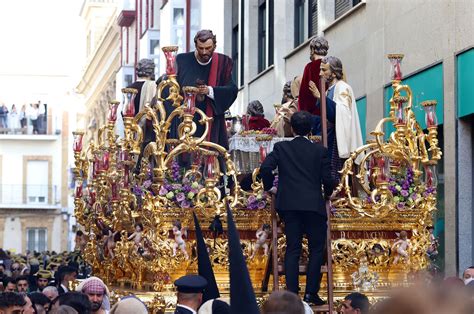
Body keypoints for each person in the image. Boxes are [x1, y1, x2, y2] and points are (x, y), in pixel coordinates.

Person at [259, 111, 337, 305]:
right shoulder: (320, 151)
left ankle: (292, 295)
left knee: (293, 248)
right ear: (310, 129)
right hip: (313, 206)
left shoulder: (282, 147)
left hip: (289, 206)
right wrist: (327, 193)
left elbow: (265, 168)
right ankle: (311, 293)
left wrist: (270, 188)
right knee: (317, 249)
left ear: (291, 128)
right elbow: (328, 179)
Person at [175, 29, 238, 148]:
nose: (204, 52)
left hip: (212, 122)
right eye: (200, 48)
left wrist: (209, 91)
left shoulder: (223, 62)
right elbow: (172, 88)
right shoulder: (182, 61)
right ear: (196, 45)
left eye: (208, 48)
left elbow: (232, 90)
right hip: (185, 121)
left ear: (214, 46)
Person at [309, 56, 364, 178]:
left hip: (337, 140)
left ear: (333, 73)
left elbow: (341, 113)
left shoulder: (342, 87)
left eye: (324, 70)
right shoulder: (329, 90)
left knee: (338, 177)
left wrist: (320, 97)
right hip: (330, 136)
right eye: (320, 70)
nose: (320, 73)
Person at [298, 36, 329, 115]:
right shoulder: (331, 65)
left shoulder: (310, 67)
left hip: (314, 114)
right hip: (331, 111)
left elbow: (303, 95)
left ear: (312, 50)